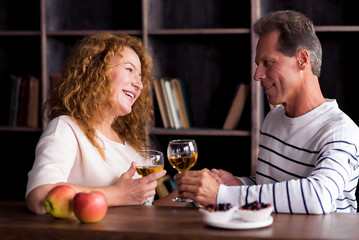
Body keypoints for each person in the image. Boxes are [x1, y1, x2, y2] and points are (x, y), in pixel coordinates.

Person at [174, 10, 359, 214]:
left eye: (268, 63)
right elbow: (272, 186)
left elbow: (318, 197)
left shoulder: (341, 131)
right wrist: (238, 185)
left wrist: (222, 195)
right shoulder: (273, 119)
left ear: (302, 60)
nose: (257, 75)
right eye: (257, 65)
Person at [26, 32, 167, 214]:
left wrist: (184, 194)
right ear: (97, 71)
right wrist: (117, 194)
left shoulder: (131, 144)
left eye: (141, 76)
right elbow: (39, 197)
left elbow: (144, 211)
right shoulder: (66, 128)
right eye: (130, 70)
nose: (139, 85)